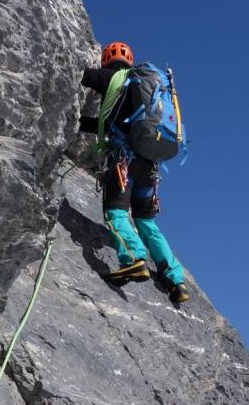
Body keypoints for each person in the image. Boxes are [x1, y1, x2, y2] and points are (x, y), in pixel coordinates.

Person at [79, 42, 190, 303]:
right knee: (145, 221)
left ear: (107, 60)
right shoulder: (148, 89)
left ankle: (133, 259)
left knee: (116, 212)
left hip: (124, 162)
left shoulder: (112, 77)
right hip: (150, 166)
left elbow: (80, 75)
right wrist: (83, 122)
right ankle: (175, 280)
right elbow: (108, 124)